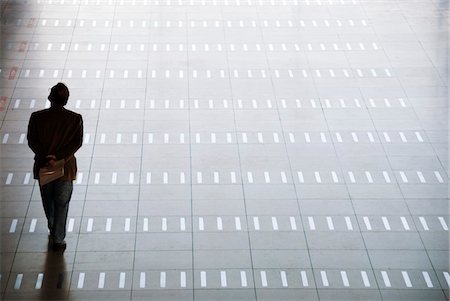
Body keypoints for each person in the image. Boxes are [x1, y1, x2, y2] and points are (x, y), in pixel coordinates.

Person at [27, 83, 83, 252]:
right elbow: (77, 142)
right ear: (66, 100)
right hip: (65, 168)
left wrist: (47, 157)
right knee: (62, 203)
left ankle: (53, 227)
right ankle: (59, 239)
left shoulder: (37, 117)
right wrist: (59, 158)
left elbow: (32, 141)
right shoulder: (75, 119)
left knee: (48, 202)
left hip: (45, 166)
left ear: (50, 98)